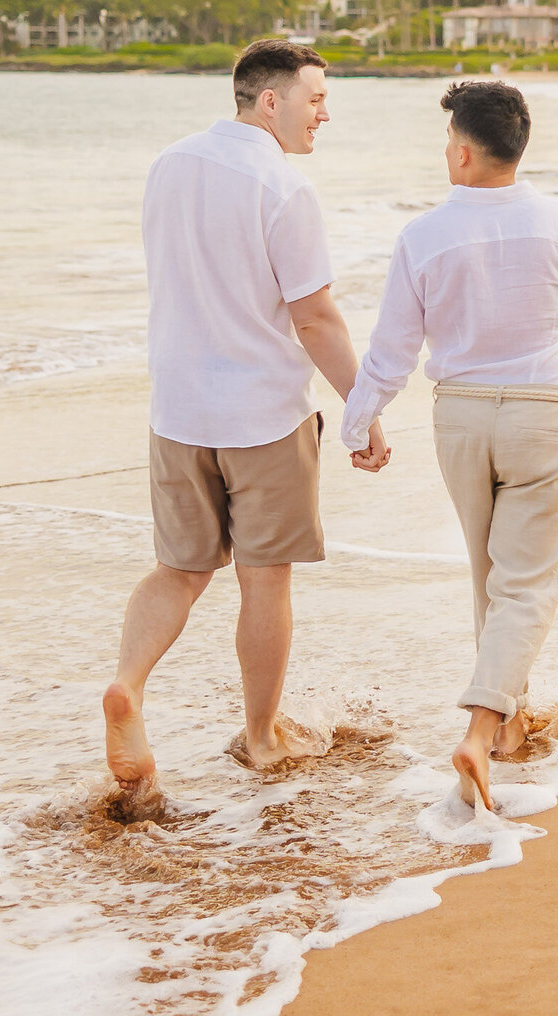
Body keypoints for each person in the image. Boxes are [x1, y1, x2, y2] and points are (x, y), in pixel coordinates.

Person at [103, 39, 389, 787]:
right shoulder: (283, 188)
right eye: (315, 98)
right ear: (272, 102)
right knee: (265, 578)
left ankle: (128, 684)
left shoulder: (169, 164)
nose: (324, 114)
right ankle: (261, 736)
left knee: (178, 570)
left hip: (177, 408)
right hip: (262, 414)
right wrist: (364, 409)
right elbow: (316, 319)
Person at [341, 79, 558, 811]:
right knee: (528, 583)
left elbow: (392, 349)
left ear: (464, 152)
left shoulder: (424, 235)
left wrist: (358, 422)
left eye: (447, 142)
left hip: (461, 419)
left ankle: (504, 729)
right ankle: (481, 732)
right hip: (544, 414)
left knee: (489, 573)